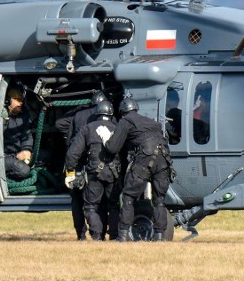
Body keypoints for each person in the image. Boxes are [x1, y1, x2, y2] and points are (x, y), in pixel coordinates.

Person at [106, 97, 173, 242]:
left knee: (128, 197)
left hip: (145, 159)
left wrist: (107, 141)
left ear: (122, 111)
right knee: (159, 200)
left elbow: (113, 147)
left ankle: (123, 235)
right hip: (163, 160)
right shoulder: (152, 123)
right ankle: (160, 237)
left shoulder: (126, 121)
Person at [56, 90, 110, 240]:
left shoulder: (79, 115)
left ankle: (81, 235)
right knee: (99, 203)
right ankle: (100, 234)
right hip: (98, 164)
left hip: (78, 163)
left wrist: (70, 169)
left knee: (77, 201)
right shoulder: (108, 120)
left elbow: (69, 142)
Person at [64, 101, 121, 241]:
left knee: (90, 207)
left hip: (95, 172)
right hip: (114, 173)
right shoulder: (118, 128)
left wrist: (70, 172)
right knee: (113, 206)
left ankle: (96, 236)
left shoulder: (88, 128)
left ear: (97, 113)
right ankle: (114, 236)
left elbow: (73, 153)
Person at [3, 87, 34, 180]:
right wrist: (4, 119)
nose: (21, 103)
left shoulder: (23, 115)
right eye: (17, 100)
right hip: (4, 156)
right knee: (23, 170)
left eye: (22, 100)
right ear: (8, 101)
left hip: (17, 152)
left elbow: (27, 136)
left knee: (45, 156)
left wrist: (26, 150)